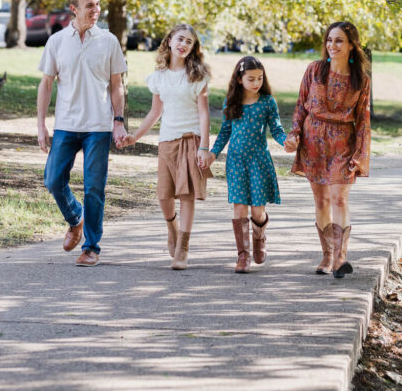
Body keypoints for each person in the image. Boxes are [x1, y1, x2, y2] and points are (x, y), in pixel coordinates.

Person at [37, 0, 128, 267]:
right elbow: (46, 84)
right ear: (74, 9)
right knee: (52, 179)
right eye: (89, 5)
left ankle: (91, 247)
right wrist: (41, 124)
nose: (96, 10)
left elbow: (117, 85)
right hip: (66, 124)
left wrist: (119, 121)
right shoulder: (57, 41)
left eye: (97, 4)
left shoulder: (109, 41)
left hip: (98, 127)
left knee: (94, 188)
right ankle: (75, 218)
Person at [119, 23, 212, 270]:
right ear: (170, 40)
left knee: (186, 195)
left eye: (189, 42)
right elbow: (155, 111)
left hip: (191, 139)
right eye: (180, 39)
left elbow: (204, 114)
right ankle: (172, 225)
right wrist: (135, 136)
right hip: (167, 141)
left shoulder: (197, 76)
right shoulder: (158, 77)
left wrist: (205, 146)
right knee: (164, 195)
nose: (183, 45)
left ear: (192, 49)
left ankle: (183, 246)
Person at [284, 21, 371, 278]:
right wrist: (294, 134)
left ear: (352, 45)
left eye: (339, 41)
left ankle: (341, 258)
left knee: (339, 198)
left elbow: (364, 120)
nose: (332, 45)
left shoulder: (361, 80)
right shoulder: (314, 70)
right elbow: (300, 106)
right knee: (321, 200)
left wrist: (361, 154)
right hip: (313, 142)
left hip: (343, 142)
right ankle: (327, 255)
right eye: (329, 40)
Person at [208, 56, 288, 273]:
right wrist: (213, 154)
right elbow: (225, 132)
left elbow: (277, 129)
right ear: (239, 79)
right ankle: (243, 256)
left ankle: (259, 238)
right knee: (239, 206)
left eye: (260, 78)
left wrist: (286, 142)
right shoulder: (231, 102)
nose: (256, 83)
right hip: (236, 161)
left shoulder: (267, 102)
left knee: (257, 210)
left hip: (259, 161)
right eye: (251, 79)